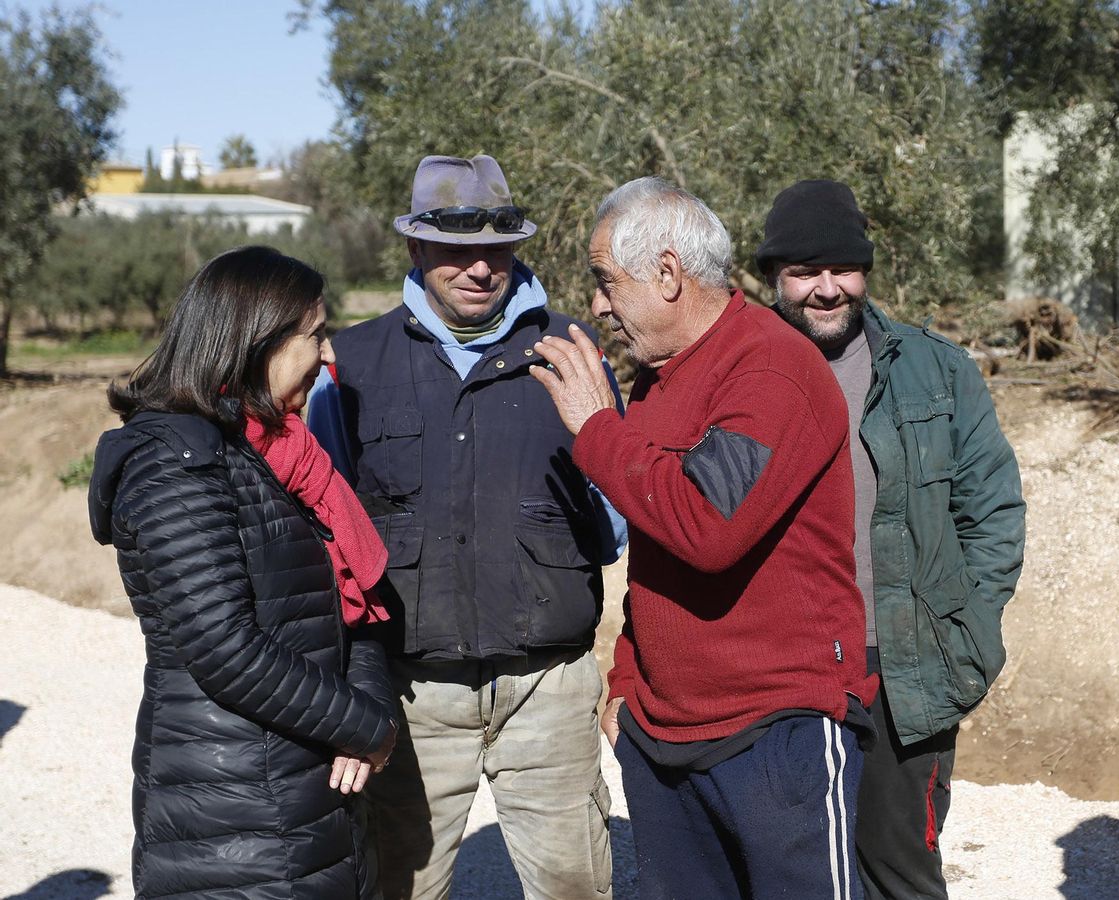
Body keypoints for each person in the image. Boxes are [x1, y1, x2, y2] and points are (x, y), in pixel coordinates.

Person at [529, 176, 878, 900]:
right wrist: (629, 677)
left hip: (775, 731)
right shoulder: (661, 376)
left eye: (605, 281)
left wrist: (597, 429)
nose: (596, 304)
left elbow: (705, 525)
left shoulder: (771, 368)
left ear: (666, 273)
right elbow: (656, 550)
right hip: (665, 735)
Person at [305, 155, 624, 899]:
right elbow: (322, 529)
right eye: (456, 248)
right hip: (409, 696)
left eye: (499, 249)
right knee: (396, 889)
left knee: (577, 886)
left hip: (548, 686)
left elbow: (614, 523)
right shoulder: (348, 364)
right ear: (416, 249)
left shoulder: (575, 352)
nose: (481, 267)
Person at [88, 246, 398, 898]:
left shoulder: (284, 454)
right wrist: (366, 728)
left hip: (308, 797)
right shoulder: (174, 467)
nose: (329, 355)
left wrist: (367, 710)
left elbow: (352, 607)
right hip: (232, 814)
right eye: (315, 335)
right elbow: (224, 649)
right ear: (258, 340)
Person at [754, 179, 1025, 900]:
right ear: (772, 278)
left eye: (841, 268)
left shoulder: (936, 370)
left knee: (899, 869)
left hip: (904, 668)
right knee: (791, 869)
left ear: (865, 270)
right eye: (803, 272)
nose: (825, 289)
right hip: (783, 669)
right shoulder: (739, 370)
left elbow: (993, 511)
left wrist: (967, 629)